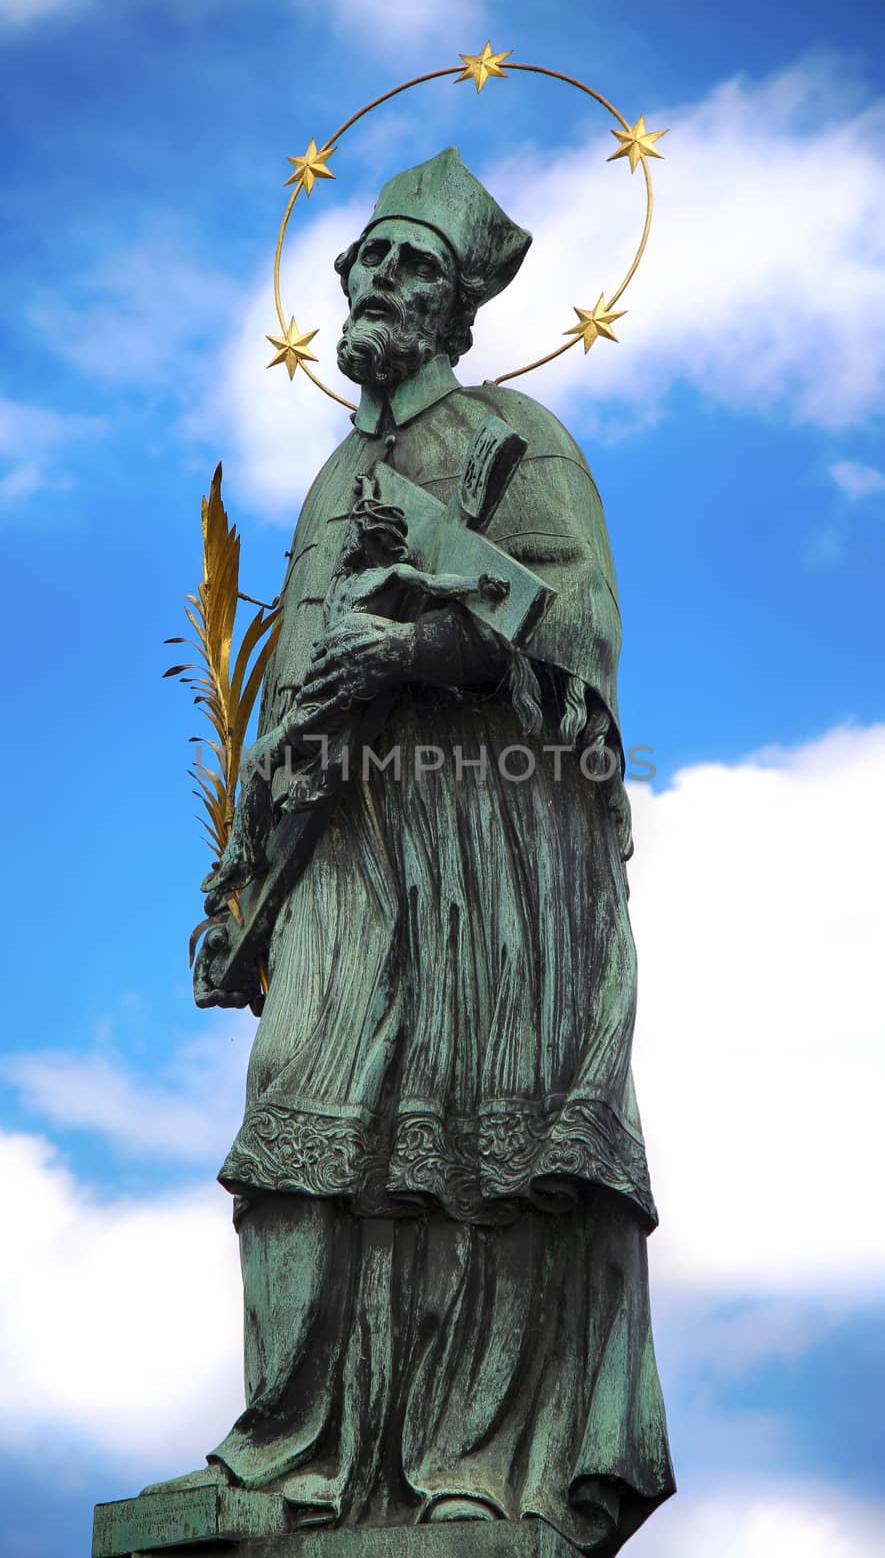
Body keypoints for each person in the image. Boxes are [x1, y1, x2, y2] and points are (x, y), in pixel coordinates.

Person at [157, 147, 675, 1553]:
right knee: (294, 1122)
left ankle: (472, 1462)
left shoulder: (519, 439)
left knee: (477, 1142)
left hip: (485, 834)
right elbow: (292, 682)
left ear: (459, 311)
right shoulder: (331, 477)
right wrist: (244, 865)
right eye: (367, 258)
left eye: (413, 266)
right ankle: (292, 1447)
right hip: (339, 843)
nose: (378, 280)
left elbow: (576, 628)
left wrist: (418, 643)